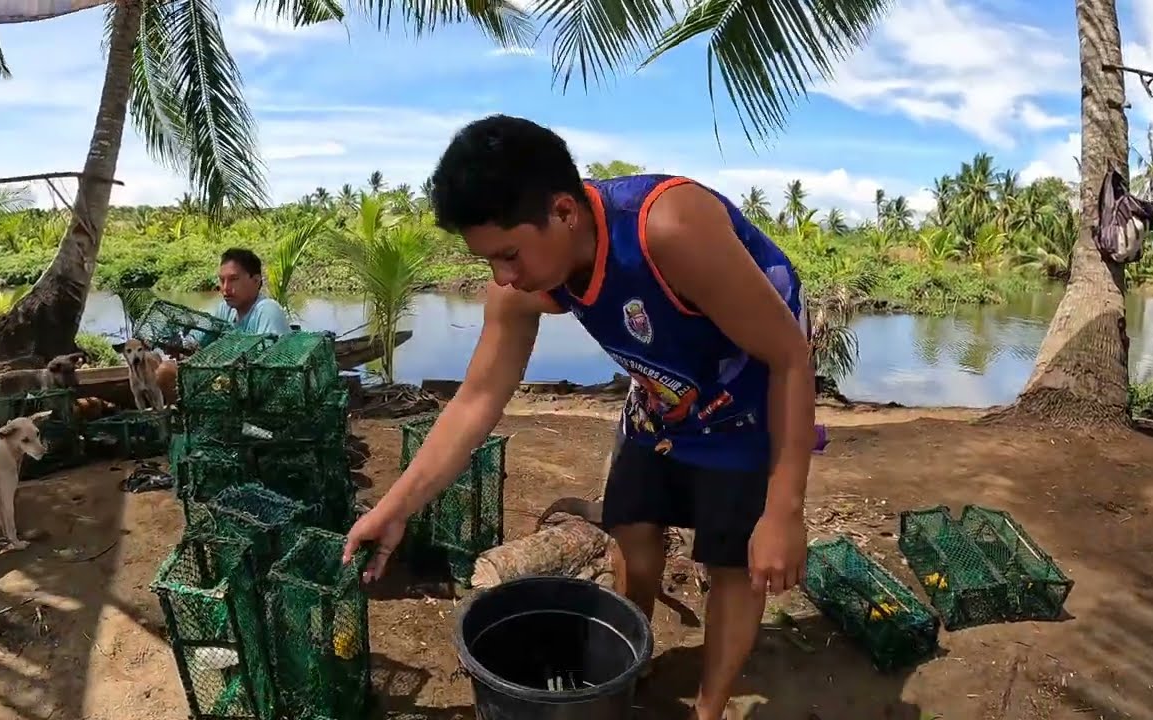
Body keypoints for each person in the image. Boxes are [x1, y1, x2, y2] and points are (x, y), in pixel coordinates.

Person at [342, 114, 815, 720]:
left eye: (509, 254)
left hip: (749, 397)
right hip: (661, 397)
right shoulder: (524, 282)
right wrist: (393, 509)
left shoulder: (667, 230)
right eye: (489, 261)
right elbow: (476, 401)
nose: (503, 278)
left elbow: (789, 357)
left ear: (565, 212)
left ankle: (709, 708)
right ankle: (628, 666)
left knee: (731, 566)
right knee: (634, 534)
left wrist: (784, 510)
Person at [212, 248, 292, 337]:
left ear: (256, 281)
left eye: (234, 279)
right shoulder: (225, 309)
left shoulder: (267, 311)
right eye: (222, 280)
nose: (225, 288)